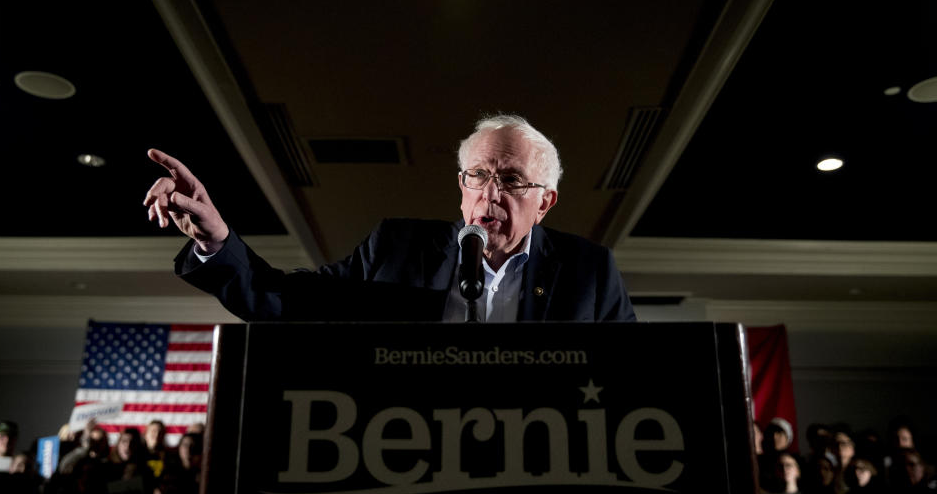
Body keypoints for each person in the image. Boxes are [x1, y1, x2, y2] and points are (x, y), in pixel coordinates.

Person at [143, 115, 636, 322]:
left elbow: (636, 383)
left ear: (545, 201)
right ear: (460, 184)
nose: (489, 193)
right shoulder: (396, 247)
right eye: (477, 175)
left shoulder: (590, 272)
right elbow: (284, 303)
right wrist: (217, 238)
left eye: (510, 180)